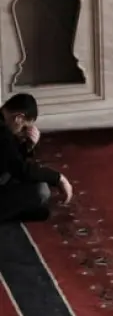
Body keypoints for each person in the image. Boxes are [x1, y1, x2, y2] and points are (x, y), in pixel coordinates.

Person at [0, 94, 72, 223]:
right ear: (19, 118)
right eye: (24, 127)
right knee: (40, 190)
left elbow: (8, 159)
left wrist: (28, 147)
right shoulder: (3, 133)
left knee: (37, 195)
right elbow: (21, 170)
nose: (21, 132)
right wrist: (58, 178)